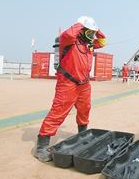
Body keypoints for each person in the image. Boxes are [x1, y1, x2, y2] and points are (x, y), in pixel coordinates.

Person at [34, 16, 106, 162]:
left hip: (84, 84)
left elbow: (103, 41)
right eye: (89, 33)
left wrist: (95, 29)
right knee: (58, 112)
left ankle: (83, 136)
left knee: (85, 109)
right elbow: (67, 34)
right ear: (81, 31)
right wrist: (81, 24)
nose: (92, 36)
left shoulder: (89, 45)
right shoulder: (68, 41)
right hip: (68, 82)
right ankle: (41, 147)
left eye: (93, 33)